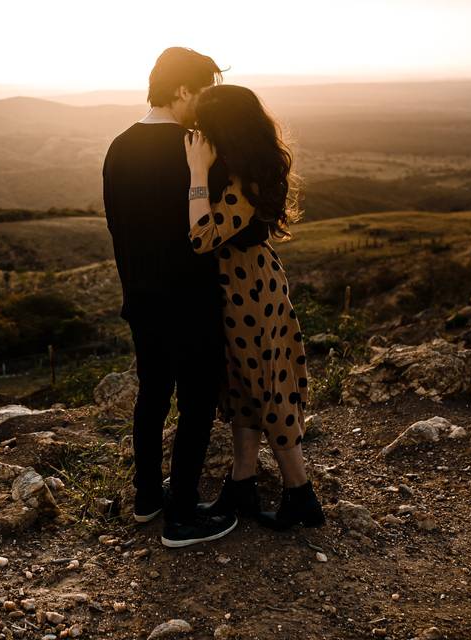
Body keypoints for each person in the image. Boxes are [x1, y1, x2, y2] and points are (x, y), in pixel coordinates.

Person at [102, 47, 238, 547]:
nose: (208, 101)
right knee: (198, 400)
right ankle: (182, 514)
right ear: (183, 90)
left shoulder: (118, 146)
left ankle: (147, 499)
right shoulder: (195, 147)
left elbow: (117, 227)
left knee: (153, 396)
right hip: (191, 298)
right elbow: (214, 229)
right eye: (205, 90)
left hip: (141, 298)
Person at [183, 84, 325, 530]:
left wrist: (196, 171)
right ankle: (241, 484)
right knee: (244, 388)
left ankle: (301, 494)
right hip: (245, 289)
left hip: (250, 294)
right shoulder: (247, 168)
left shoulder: (244, 182)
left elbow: (202, 236)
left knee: (267, 386)